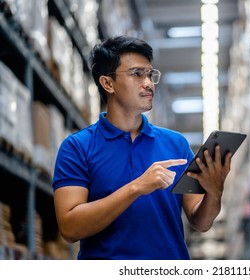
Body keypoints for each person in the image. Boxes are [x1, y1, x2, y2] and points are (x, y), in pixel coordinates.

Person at [52, 35, 232, 260]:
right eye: (137, 74)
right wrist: (137, 187)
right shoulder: (77, 148)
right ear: (108, 83)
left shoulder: (176, 144)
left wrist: (214, 192)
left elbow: (201, 222)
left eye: (150, 74)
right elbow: (70, 228)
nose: (148, 83)